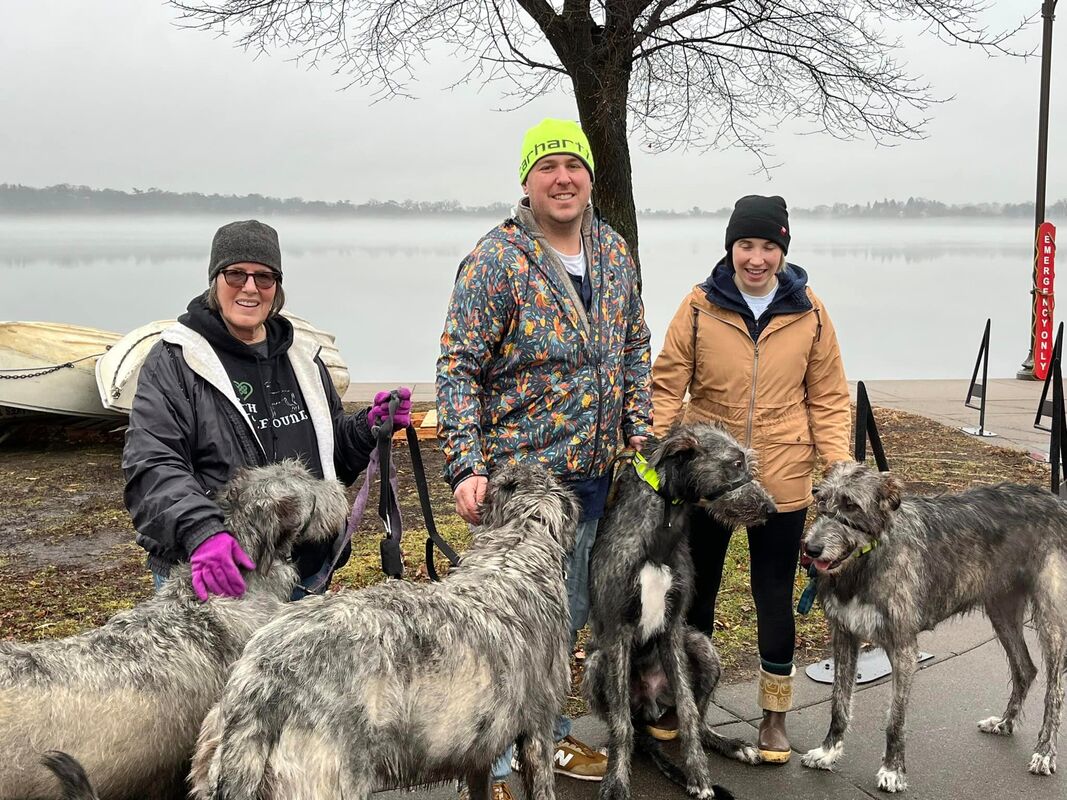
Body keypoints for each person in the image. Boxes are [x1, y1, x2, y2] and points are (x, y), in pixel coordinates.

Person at [436, 118, 653, 797]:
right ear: (526, 181)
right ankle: (494, 764)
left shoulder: (613, 251)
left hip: (593, 482)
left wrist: (636, 426)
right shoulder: (496, 259)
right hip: (521, 493)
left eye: (574, 166)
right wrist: (465, 464)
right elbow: (457, 367)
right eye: (548, 165)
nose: (563, 177)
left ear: (589, 178)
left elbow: (632, 345)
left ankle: (548, 739)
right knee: (508, 629)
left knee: (566, 619)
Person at [651, 195, 850, 763]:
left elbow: (829, 398)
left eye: (768, 246)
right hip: (713, 482)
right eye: (746, 245)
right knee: (697, 594)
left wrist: (837, 468)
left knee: (772, 597)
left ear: (782, 250)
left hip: (783, 479)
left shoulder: (809, 312)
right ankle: (684, 702)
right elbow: (667, 386)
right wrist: (653, 457)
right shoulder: (698, 307)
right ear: (730, 248)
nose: (756, 258)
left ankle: (774, 718)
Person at [123, 219, 411, 600]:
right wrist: (202, 532)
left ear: (277, 287)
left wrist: (365, 429)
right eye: (235, 274)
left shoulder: (301, 357)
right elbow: (152, 464)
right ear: (215, 280)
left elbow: (327, 458)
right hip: (217, 578)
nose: (249, 288)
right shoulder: (176, 361)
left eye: (264, 278)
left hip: (301, 581)